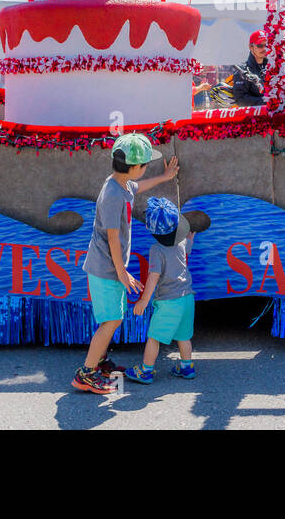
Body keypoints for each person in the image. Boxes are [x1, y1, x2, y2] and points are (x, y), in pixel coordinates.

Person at [73, 133, 180, 395]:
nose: (145, 170)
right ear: (133, 167)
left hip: (113, 269)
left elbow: (138, 187)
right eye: (144, 166)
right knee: (110, 321)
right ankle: (85, 374)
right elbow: (111, 237)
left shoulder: (122, 184)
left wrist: (164, 178)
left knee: (115, 318)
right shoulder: (112, 194)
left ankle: (99, 361)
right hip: (106, 269)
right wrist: (122, 273)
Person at [124, 197, 196, 384]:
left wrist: (143, 301)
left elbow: (153, 278)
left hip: (168, 301)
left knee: (154, 337)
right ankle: (187, 367)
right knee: (184, 336)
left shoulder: (156, 250)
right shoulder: (181, 243)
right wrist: (190, 239)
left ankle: (146, 371)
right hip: (187, 297)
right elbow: (188, 248)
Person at [230, 30, 269, 107]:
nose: (264, 48)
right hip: (254, 117)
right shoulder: (242, 70)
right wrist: (266, 102)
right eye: (260, 46)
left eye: (266, 45)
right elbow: (240, 99)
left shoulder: (273, 67)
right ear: (251, 47)